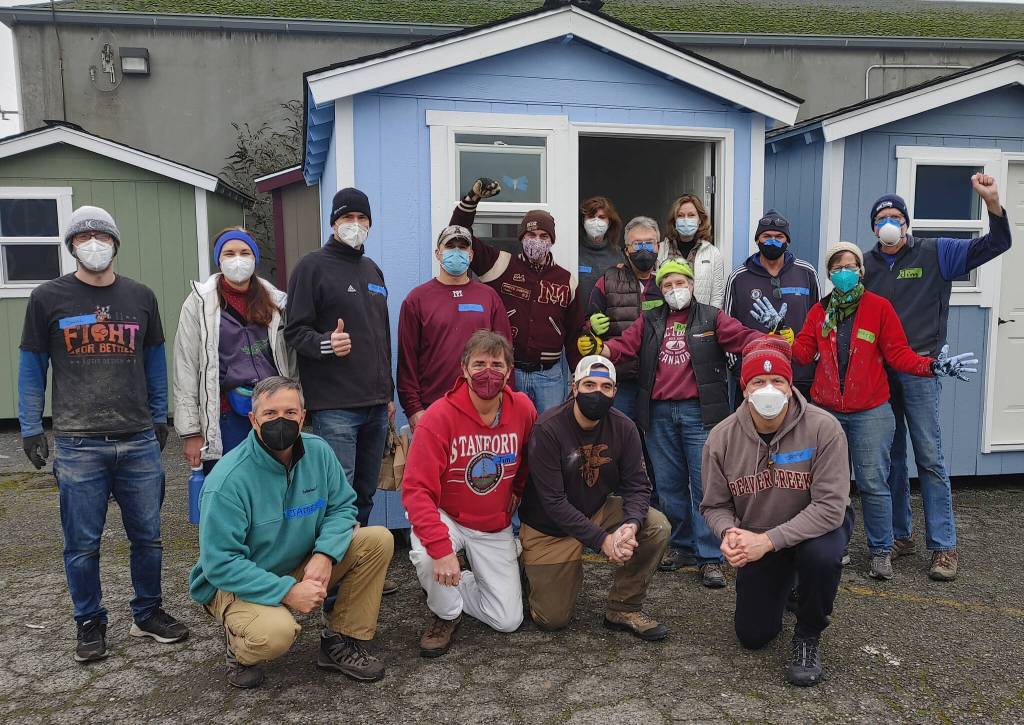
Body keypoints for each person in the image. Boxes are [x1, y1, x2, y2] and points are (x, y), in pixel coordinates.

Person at [18, 205, 188, 663]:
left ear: (115, 243)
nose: (93, 242)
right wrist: (31, 426)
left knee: (148, 536)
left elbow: (155, 358)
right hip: (78, 443)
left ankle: (148, 612)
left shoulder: (141, 296)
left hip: (137, 440)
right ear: (71, 245)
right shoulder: (47, 298)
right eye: (83, 236)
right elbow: (33, 364)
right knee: (82, 544)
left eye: (102, 234)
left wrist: (160, 416)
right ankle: (89, 623)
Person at [189, 376, 394, 689]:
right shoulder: (228, 480)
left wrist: (326, 554)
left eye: (289, 413)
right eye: (270, 414)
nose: (280, 421)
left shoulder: (319, 452)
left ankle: (340, 641)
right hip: (238, 581)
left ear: (303, 416)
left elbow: (342, 508)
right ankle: (239, 646)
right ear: (253, 419)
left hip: (297, 561)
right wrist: (287, 592)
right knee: (275, 635)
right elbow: (220, 563)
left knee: (377, 540)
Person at [790, 242, 977, 581]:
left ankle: (881, 550)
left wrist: (933, 366)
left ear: (861, 271)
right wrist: (779, 333)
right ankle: (836, 546)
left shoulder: (879, 308)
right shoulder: (820, 312)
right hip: (827, 412)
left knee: (873, 482)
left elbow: (900, 355)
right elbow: (803, 353)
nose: (844, 272)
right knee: (831, 485)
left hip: (871, 411)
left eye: (850, 266)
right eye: (837, 267)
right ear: (829, 273)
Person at [578, 259, 762, 586]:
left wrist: (772, 342)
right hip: (659, 411)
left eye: (680, 283)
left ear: (691, 284)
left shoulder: (711, 317)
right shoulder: (649, 320)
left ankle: (710, 555)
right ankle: (681, 545)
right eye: (667, 285)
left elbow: (745, 339)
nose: (675, 290)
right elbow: (625, 346)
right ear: (660, 290)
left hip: (699, 412)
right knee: (668, 484)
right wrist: (600, 348)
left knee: (705, 485)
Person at [863, 176, 1011, 581]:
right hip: (880, 375)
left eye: (895, 217)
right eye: (881, 219)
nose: (889, 223)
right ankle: (899, 534)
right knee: (889, 457)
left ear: (907, 223)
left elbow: (995, 245)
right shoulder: (865, 265)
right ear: (873, 227)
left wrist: (993, 204)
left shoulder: (936, 252)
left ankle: (944, 547)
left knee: (929, 457)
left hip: (921, 371)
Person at [700, 337, 853, 687]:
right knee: (753, 636)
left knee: (823, 557)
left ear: (789, 386)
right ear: (744, 388)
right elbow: (714, 505)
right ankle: (789, 583)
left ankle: (808, 634)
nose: (768, 389)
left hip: (815, 531)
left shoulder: (824, 428)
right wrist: (728, 534)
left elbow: (830, 508)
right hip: (758, 534)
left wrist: (767, 542)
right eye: (758, 381)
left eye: (777, 381)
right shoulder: (721, 439)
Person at [402, 331, 536, 657]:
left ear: (508, 371)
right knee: (427, 554)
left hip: (493, 522)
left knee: (508, 620)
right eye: (479, 364)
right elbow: (416, 490)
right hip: (446, 513)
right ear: (463, 368)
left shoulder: (523, 409)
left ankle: (457, 581)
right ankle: (446, 613)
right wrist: (441, 549)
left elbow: (529, 458)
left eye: (496, 364)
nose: (487, 372)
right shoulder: (438, 416)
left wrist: (517, 489)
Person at [519, 356, 670, 639]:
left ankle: (623, 607)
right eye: (589, 384)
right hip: (549, 528)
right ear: (574, 388)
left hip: (596, 510)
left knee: (657, 525)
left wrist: (631, 525)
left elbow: (638, 486)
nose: (596, 393)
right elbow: (553, 502)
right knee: (551, 619)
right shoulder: (548, 428)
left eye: (605, 386)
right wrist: (603, 541)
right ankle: (526, 568)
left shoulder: (624, 427)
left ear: (615, 392)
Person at [284, 187, 394, 530]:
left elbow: (382, 337)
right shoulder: (311, 267)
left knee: (364, 494)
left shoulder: (373, 270)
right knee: (336, 495)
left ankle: (356, 570)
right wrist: (327, 343)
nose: (355, 224)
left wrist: (388, 394)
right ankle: (328, 579)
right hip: (336, 408)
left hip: (376, 405)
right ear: (334, 223)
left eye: (362, 218)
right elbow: (294, 332)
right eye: (347, 217)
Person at [451, 177, 583, 414]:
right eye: (531, 236)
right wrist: (472, 199)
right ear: (522, 238)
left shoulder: (566, 280)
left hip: (550, 377)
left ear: (552, 241)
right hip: (509, 373)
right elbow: (459, 233)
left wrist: (579, 376)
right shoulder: (500, 265)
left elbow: (575, 334)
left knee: (548, 438)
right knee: (508, 435)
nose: (537, 241)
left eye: (544, 237)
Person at [174, 227, 293, 473]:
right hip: (225, 416)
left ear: (255, 258)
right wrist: (191, 431)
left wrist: (295, 411)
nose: (237, 259)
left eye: (244, 252)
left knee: (273, 486)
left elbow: (290, 360)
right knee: (229, 488)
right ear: (219, 259)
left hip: (272, 413)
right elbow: (185, 365)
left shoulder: (276, 301)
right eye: (229, 253)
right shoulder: (199, 303)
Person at [397, 224, 512, 429]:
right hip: (433, 408)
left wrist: (505, 402)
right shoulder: (417, 299)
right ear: (438, 253)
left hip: (483, 406)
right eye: (450, 246)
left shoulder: (489, 297)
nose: (457, 252)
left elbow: (505, 354)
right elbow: (407, 360)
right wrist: (414, 409)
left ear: (471, 254)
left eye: (463, 247)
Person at [725, 210, 820, 399]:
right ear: (757, 240)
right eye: (766, 236)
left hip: (799, 376)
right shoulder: (738, 278)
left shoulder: (806, 272)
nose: (772, 241)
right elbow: (728, 329)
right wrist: (738, 368)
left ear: (787, 241)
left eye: (779, 237)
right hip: (754, 376)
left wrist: (813, 363)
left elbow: (819, 322)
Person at [585, 216, 665, 420]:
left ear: (658, 246)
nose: (644, 249)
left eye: (649, 243)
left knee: (655, 447)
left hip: (661, 381)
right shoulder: (609, 280)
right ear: (627, 249)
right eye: (637, 244)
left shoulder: (669, 282)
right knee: (621, 439)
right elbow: (587, 328)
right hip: (621, 380)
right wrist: (590, 326)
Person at [658, 194, 726, 308]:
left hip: (701, 321)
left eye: (691, 215)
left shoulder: (713, 253)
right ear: (674, 220)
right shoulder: (660, 250)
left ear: (700, 220)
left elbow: (717, 296)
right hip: (667, 319)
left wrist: (710, 322)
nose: (686, 220)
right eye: (680, 216)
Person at [578, 196, 624, 309]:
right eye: (590, 217)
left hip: (609, 322)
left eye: (601, 217)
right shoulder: (573, 252)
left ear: (609, 222)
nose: (596, 221)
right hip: (578, 323)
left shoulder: (619, 255)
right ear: (582, 220)